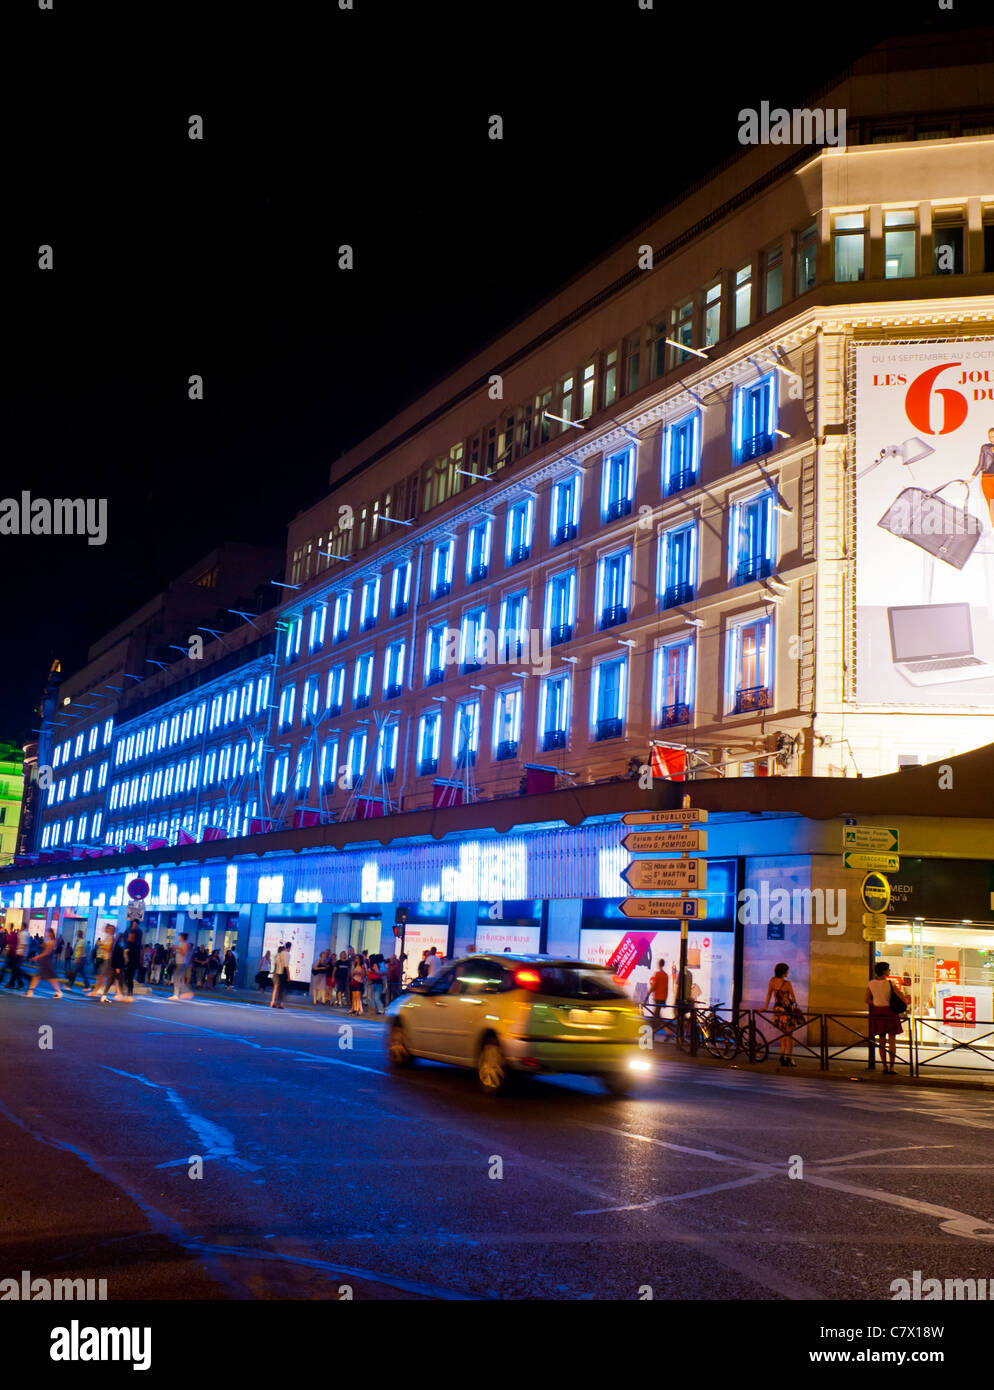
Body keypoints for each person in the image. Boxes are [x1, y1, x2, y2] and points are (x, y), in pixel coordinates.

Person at [865, 960, 908, 1074]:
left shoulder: (871, 983)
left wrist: (876, 1002)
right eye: (888, 969)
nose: (889, 971)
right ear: (884, 971)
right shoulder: (890, 983)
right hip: (890, 1012)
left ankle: (884, 1066)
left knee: (881, 1041)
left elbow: (866, 999)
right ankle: (892, 1067)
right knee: (892, 1040)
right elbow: (901, 997)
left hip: (877, 1011)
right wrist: (904, 1000)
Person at [764, 962, 801, 1067]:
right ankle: (789, 1058)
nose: (788, 972)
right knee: (790, 1035)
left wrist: (766, 1007)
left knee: (783, 1034)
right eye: (787, 971)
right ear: (784, 972)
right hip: (787, 1011)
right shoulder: (787, 984)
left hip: (778, 1011)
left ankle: (782, 1055)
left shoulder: (772, 981)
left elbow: (768, 994)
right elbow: (793, 999)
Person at [25, 928, 63, 999]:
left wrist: (37, 957)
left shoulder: (52, 942)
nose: (46, 934)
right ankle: (58, 992)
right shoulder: (49, 941)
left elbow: (47, 952)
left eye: (47, 932)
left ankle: (30, 991)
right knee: (49, 978)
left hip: (47, 962)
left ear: (51, 933)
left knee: (43, 977)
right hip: (46, 962)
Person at [972, 425, 994, 524]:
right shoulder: (985, 447)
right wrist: (972, 476)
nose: (991, 439)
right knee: (991, 503)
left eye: (993, 436)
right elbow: (980, 464)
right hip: (987, 478)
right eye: (990, 436)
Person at [169, 932, 194, 1001]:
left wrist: (177, 948)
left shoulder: (184, 944)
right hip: (180, 963)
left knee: (176, 978)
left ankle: (179, 993)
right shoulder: (182, 944)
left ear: (182, 938)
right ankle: (178, 993)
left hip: (181, 963)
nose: (178, 938)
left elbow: (183, 953)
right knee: (176, 978)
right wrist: (175, 949)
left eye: (179, 937)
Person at [0, 925, 27, 991]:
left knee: (13, 970)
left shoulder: (17, 934)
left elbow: (22, 945)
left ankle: (19, 983)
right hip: (13, 953)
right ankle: (16, 983)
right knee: (14, 970)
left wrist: (23, 954)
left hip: (13, 954)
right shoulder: (17, 934)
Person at [647, 957, 670, 1032]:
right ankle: (665, 1030)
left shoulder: (657, 974)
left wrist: (647, 995)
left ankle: (666, 1031)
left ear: (659, 964)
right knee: (657, 1016)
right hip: (663, 998)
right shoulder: (666, 975)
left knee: (656, 1016)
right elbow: (666, 988)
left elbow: (654, 986)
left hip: (657, 997)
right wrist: (665, 999)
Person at [123, 924, 143, 997]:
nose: (130, 936)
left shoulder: (136, 946)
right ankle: (128, 990)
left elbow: (138, 955)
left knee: (130, 977)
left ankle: (130, 992)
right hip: (127, 963)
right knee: (126, 977)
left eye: (132, 935)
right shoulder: (126, 944)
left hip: (132, 963)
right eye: (130, 935)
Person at [270, 942, 290, 1008]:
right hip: (280, 972)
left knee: (275, 989)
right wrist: (288, 975)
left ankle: (273, 1002)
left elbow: (275, 964)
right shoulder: (284, 955)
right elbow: (285, 965)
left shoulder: (277, 956)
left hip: (276, 972)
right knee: (281, 989)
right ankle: (279, 1003)